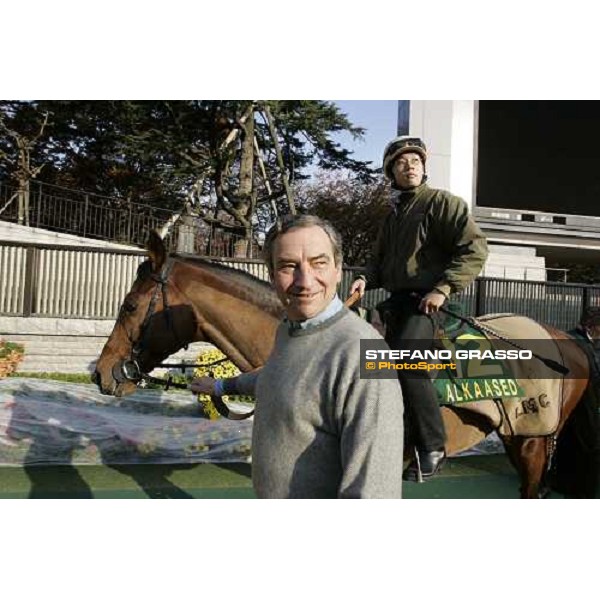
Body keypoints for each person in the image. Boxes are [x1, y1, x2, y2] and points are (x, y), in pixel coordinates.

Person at [191, 214, 405, 499]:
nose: (305, 281)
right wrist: (221, 386)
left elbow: (375, 493)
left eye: (319, 263)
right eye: (289, 266)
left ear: (339, 270)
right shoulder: (289, 330)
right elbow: (281, 375)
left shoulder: (366, 351)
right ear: (271, 275)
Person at [349, 135, 488, 482]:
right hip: (395, 303)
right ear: (391, 173)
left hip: (429, 301)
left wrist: (442, 288)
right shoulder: (392, 217)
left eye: (415, 161)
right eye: (400, 163)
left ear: (424, 167)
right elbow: (378, 264)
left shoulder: (442, 203)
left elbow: (475, 249)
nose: (409, 166)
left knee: (409, 363)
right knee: (364, 361)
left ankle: (433, 446)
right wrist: (365, 279)